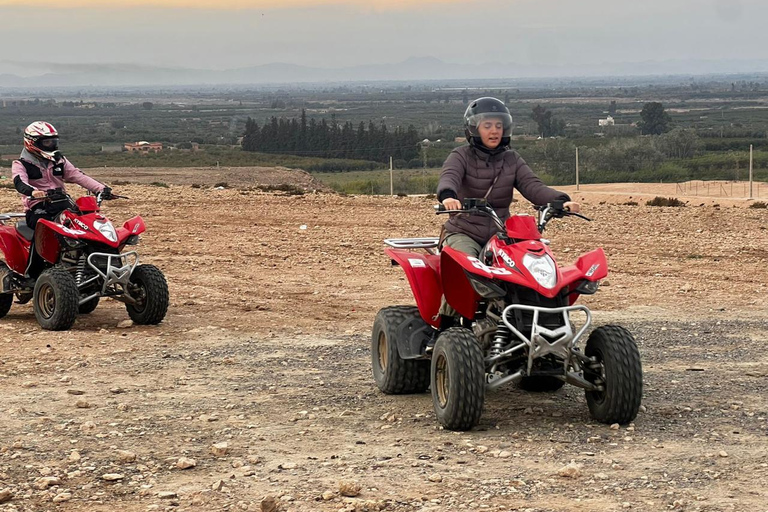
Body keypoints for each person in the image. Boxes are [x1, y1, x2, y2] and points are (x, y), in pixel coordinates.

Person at [436, 97, 580, 320]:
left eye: (499, 125)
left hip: (500, 233)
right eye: (487, 125)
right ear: (474, 128)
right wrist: (448, 197)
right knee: (462, 267)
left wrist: (560, 200)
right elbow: (449, 177)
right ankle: (445, 326)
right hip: (464, 231)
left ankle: (534, 321)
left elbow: (533, 186)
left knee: (530, 267)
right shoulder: (460, 156)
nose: (494, 131)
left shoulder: (511, 159)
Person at [11, 121, 112, 229]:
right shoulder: (21, 164)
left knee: (85, 223)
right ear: (32, 142)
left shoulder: (58, 160)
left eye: (53, 142)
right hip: (38, 207)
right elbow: (20, 182)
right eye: (47, 142)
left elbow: (77, 175)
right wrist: (33, 192)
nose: (51, 145)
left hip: (62, 202)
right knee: (44, 228)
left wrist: (101, 188)